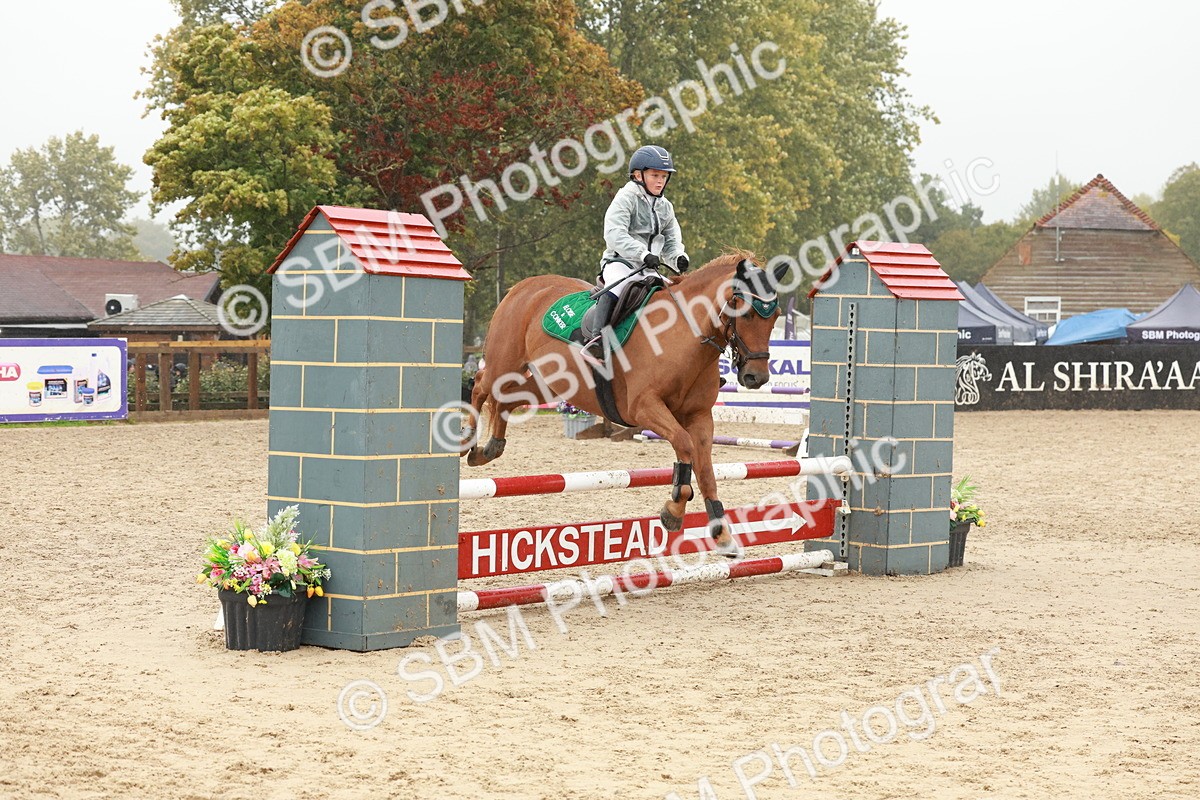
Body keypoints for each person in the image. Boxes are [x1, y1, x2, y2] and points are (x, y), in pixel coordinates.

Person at [580, 145, 689, 363]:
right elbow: (614, 233)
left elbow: (671, 241)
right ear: (638, 175)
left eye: (664, 176)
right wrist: (642, 253)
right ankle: (596, 340)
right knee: (618, 286)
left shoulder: (666, 207)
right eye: (655, 175)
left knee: (677, 296)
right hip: (620, 262)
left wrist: (678, 258)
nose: (660, 181)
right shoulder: (626, 197)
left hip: (649, 267)